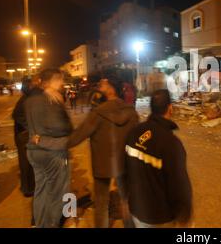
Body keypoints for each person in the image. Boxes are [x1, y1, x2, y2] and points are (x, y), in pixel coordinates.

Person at [66, 75, 139, 228]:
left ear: (112, 89)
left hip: (102, 163)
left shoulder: (98, 113)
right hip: (125, 162)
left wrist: (57, 143)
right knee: (126, 199)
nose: (100, 84)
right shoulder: (131, 111)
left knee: (101, 201)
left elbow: (78, 136)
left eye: (104, 83)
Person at [125, 89, 192, 228]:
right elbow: (179, 186)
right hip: (160, 218)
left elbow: (124, 168)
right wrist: (184, 216)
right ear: (170, 108)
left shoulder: (134, 132)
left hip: (136, 211)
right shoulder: (171, 143)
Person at [25, 69, 73, 228]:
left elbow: (19, 117)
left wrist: (35, 133)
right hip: (52, 150)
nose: (62, 83)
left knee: (41, 189)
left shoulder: (30, 99)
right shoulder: (51, 98)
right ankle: (52, 224)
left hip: (33, 150)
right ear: (52, 80)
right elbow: (59, 126)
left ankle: (39, 224)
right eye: (60, 80)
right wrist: (68, 129)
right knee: (57, 191)